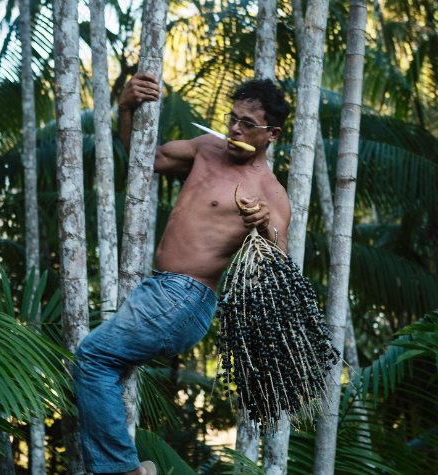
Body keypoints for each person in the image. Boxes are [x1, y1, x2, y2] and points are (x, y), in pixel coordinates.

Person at [72, 73, 293, 475]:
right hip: (158, 289)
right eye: (233, 118)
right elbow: (148, 159)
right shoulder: (207, 148)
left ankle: (125, 471)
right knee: (104, 365)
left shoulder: (270, 192)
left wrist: (264, 227)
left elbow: (279, 265)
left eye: (247, 124)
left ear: (271, 133)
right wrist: (125, 107)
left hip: (186, 298)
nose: (235, 128)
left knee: (93, 357)